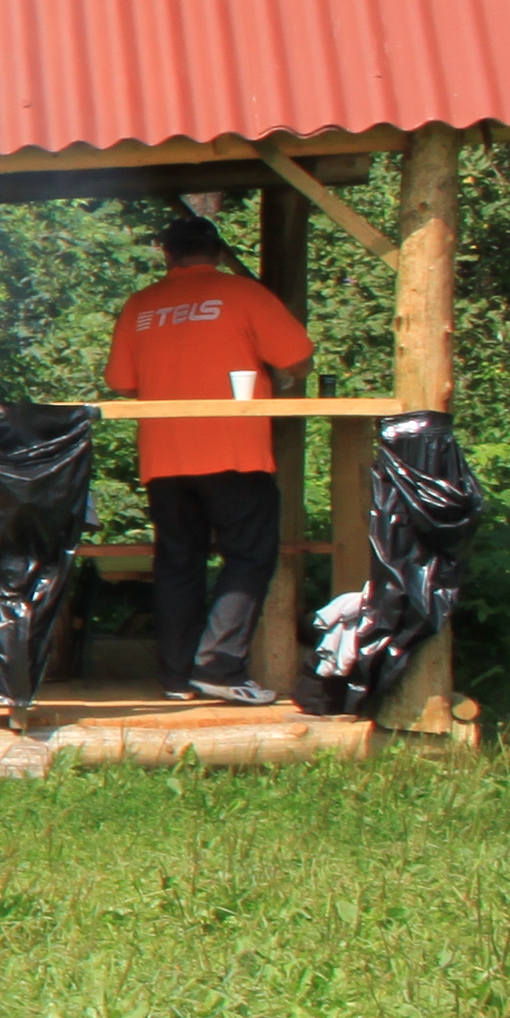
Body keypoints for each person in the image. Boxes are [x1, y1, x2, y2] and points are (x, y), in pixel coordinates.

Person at [104, 212, 314, 704]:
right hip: (234, 451)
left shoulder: (141, 305)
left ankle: (177, 678)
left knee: (178, 562)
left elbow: (121, 382)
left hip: (164, 457)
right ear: (217, 252)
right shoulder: (242, 293)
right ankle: (218, 668)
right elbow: (299, 357)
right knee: (249, 554)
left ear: (167, 254)